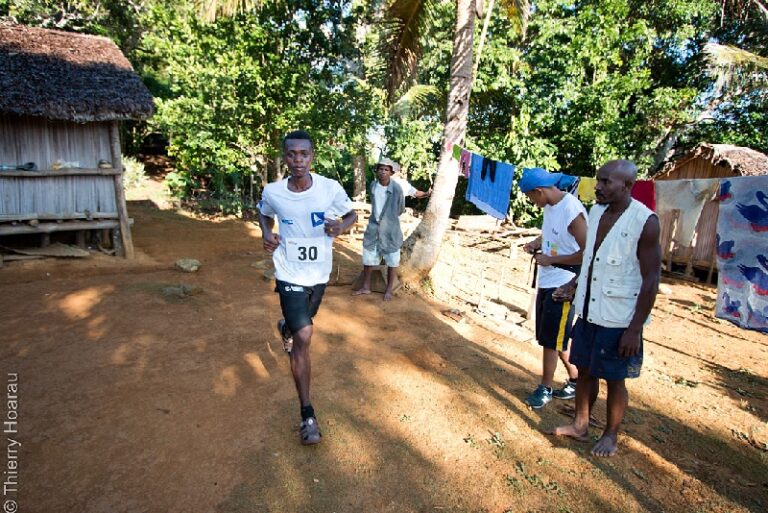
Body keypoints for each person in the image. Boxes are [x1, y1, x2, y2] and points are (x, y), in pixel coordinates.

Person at [547, 160, 661, 457]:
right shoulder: (596, 212)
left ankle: (611, 435)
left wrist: (634, 329)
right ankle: (580, 425)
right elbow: (590, 259)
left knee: (614, 378)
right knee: (583, 370)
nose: (598, 186)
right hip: (588, 310)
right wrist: (573, 286)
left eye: (606, 182)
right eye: (598, 180)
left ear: (627, 185)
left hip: (619, 319)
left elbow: (651, 280)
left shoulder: (645, 222)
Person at [258, 130, 357, 445]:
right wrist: (266, 233)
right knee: (305, 336)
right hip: (288, 272)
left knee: (301, 325)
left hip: (319, 274)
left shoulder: (329, 188)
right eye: (291, 154)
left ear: (312, 156)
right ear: (285, 157)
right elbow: (263, 214)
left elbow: (351, 213)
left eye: (303, 154)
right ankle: (307, 414)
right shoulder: (274, 191)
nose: (297, 160)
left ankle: (287, 326)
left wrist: (342, 226)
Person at [519, 167, 587, 409]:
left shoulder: (572, 211)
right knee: (555, 337)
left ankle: (545, 388)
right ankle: (576, 379)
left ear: (539, 191)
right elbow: (551, 235)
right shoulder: (550, 206)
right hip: (549, 279)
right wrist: (535, 243)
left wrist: (552, 260)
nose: (532, 202)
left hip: (565, 283)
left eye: (530, 197)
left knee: (551, 341)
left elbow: (586, 254)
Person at [352, 158, 429, 300]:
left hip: (391, 229)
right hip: (374, 228)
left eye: (386, 170)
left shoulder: (398, 188)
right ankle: (366, 286)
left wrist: (388, 219)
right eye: (380, 169)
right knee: (368, 256)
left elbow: (400, 209)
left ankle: (388, 290)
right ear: (377, 171)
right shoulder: (373, 186)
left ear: (391, 172)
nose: (383, 172)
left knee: (392, 260)